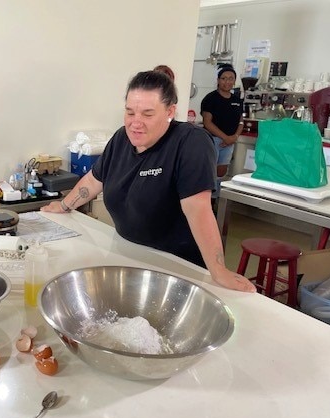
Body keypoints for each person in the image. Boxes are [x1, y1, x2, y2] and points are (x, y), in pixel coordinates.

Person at [41, 70, 255, 293]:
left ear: (170, 111)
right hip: (127, 254)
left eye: (148, 114)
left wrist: (218, 271)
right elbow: (95, 180)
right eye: (130, 112)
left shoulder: (191, 142)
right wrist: (64, 205)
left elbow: (198, 210)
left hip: (177, 267)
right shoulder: (121, 139)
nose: (136, 123)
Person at [200, 65, 244, 204]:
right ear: (218, 80)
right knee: (209, 171)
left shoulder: (237, 100)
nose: (227, 82)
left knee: (221, 171)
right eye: (224, 78)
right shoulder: (210, 98)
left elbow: (241, 121)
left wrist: (234, 137)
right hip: (213, 141)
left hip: (229, 142)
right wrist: (225, 138)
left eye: (231, 79)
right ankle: (207, 202)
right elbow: (207, 122)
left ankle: (216, 199)